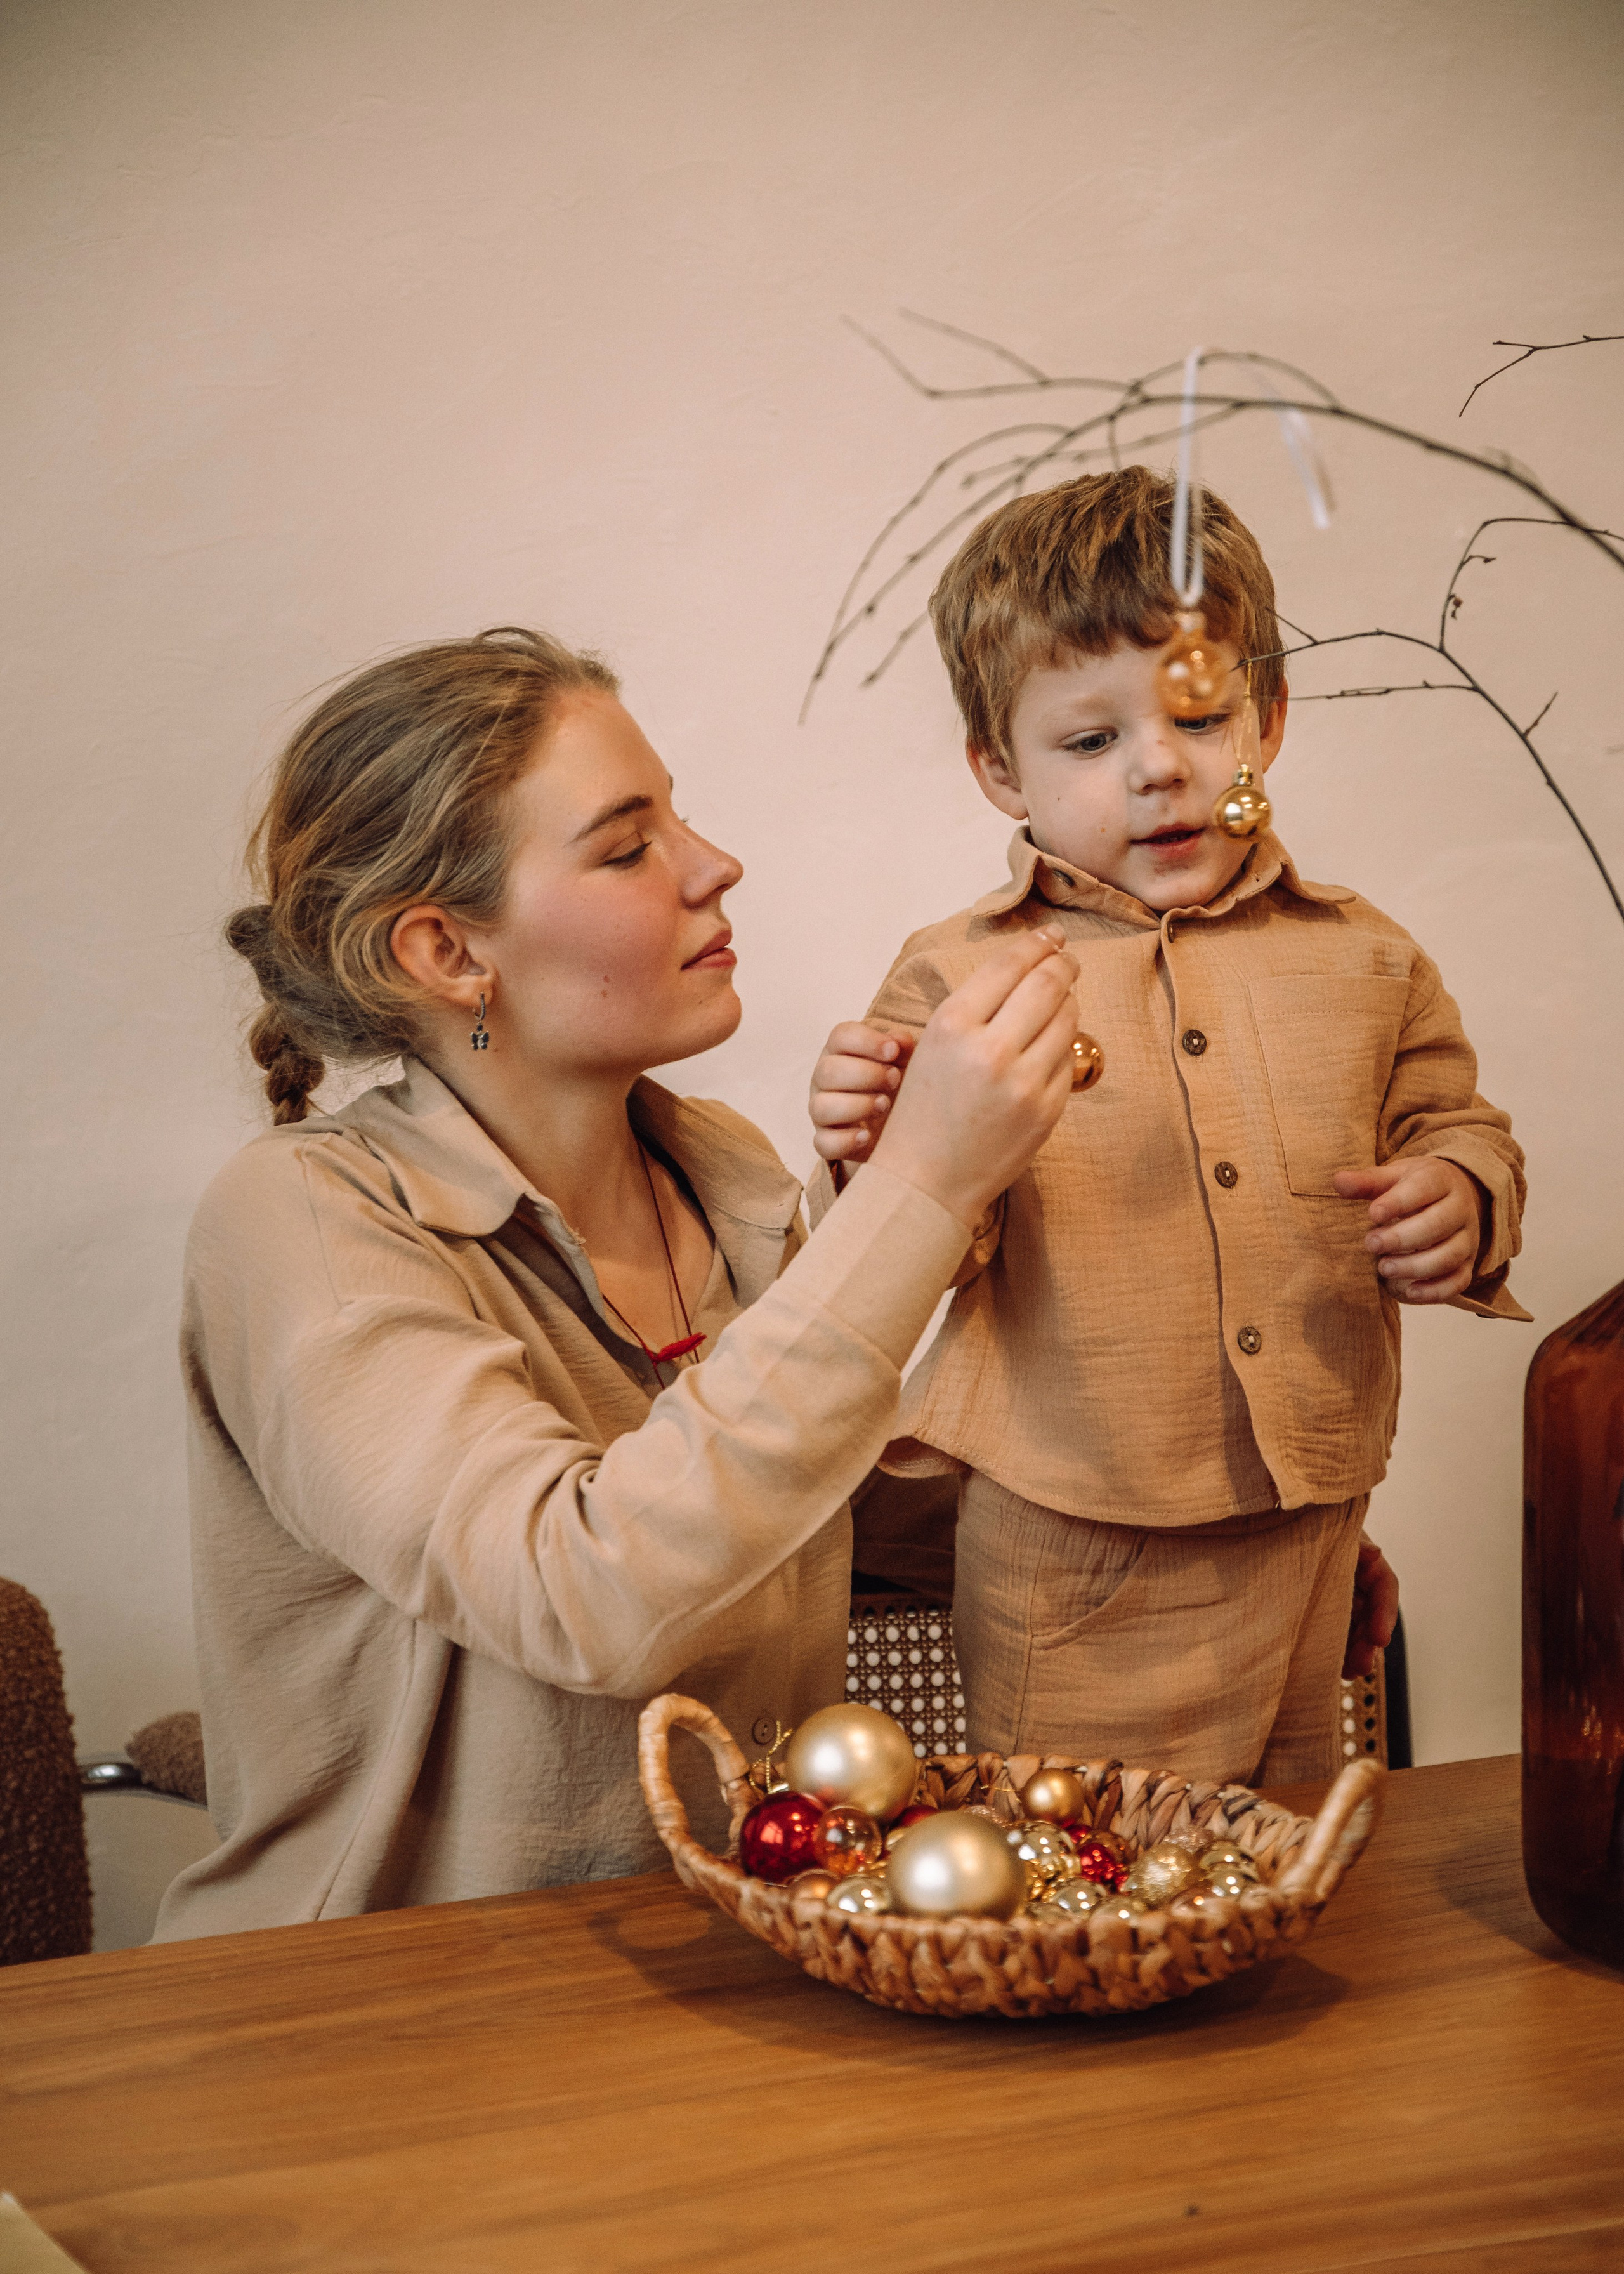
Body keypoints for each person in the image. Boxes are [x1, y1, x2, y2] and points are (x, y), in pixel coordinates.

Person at [155, 627, 1080, 1940]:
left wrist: (1172, 1525)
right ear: (444, 953)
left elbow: (801, 1520)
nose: (714, 866)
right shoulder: (304, 1221)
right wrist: (915, 1197)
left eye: (679, 819)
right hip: (377, 2029)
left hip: (736, 1973)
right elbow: (588, 1593)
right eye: (625, 843)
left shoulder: (726, 1174)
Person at [808, 468, 1524, 1787]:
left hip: (1307, 1505)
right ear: (995, 769)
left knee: (1290, 1870)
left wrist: (1457, 1193)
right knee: (1092, 1875)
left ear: (1267, 717)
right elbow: (917, 1238)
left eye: (1199, 717)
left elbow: (1454, 1117)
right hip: (1069, 1529)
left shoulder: (1365, 956)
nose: (1156, 767)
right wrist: (870, 1146)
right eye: (1087, 743)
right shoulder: (956, 980)